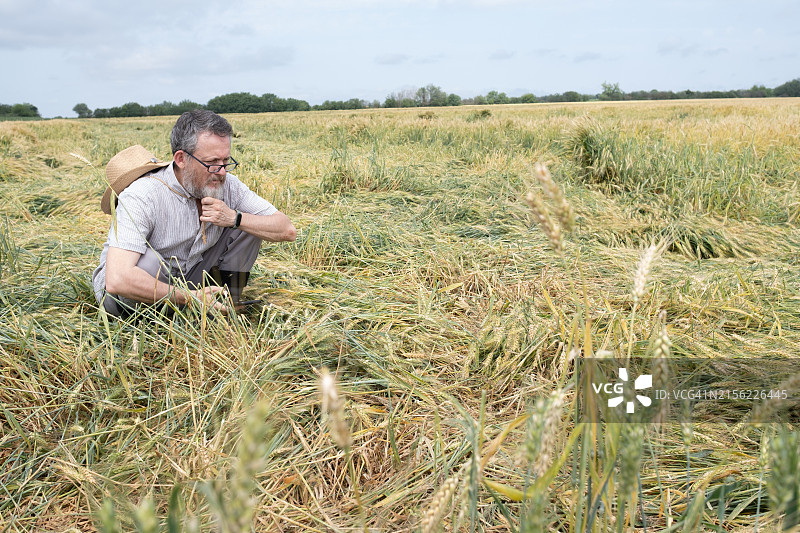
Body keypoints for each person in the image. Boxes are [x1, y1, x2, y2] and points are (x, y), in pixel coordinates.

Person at [92, 109, 296, 316]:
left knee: (249, 224)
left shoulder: (228, 185)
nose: (222, 171)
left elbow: (287, 230)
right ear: (181, 159)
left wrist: (235, 218)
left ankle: (221, 303)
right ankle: (153, 321)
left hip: (186, 280)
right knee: (149, 262)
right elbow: (118, 280)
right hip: (129, 299)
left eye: (226, 161)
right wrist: (190, 297)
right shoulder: (141, 195)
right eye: (212, 162)